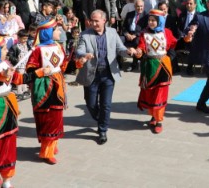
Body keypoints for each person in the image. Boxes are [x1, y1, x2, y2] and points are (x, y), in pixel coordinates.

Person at [0, 37, 47, 188]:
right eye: (4, 48)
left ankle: (7, 179)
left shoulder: (6, 63)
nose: (7, 50)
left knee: (9, 143)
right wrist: (1, 76)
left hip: (8, 105)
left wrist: (38, 73)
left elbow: (18, 79)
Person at [75, 10, 136, 144]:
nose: (94, 23)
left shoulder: (112, 32)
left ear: (104, 20)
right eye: (92, 20)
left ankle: (102, 130)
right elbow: (78, 50)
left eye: (97, 20)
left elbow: (120, 48)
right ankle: (101, 119)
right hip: (91, 74)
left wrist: (128, 51)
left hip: (108, 74)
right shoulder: (85, 34)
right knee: (91, 103)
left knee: (106, 104)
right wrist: (84, 55)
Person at [25, 19, 68, 164]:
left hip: (58, 85)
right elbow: (29, 70)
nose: (59, 32)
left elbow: (64, 65)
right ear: (48, 32)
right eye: (56, 29)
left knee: (56, 115)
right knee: (47, 117)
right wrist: (41, 72)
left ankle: (53, 143)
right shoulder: (37, 50)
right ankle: (46, 151)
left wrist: (80, 61)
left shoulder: (58, 46)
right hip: (44, 86)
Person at [133, 9, 177, 134]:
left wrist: (187, 38)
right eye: (150, 20)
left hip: (163, 65)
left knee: (160, 93)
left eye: (154, 20)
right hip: (149, 66)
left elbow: (175, 42)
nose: (151, 23)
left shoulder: (167, 33)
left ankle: (159, 120)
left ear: (160, 21)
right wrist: (138, 52)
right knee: (151, 93)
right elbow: (141, 47)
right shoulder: (144, 34)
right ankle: (153, 116)